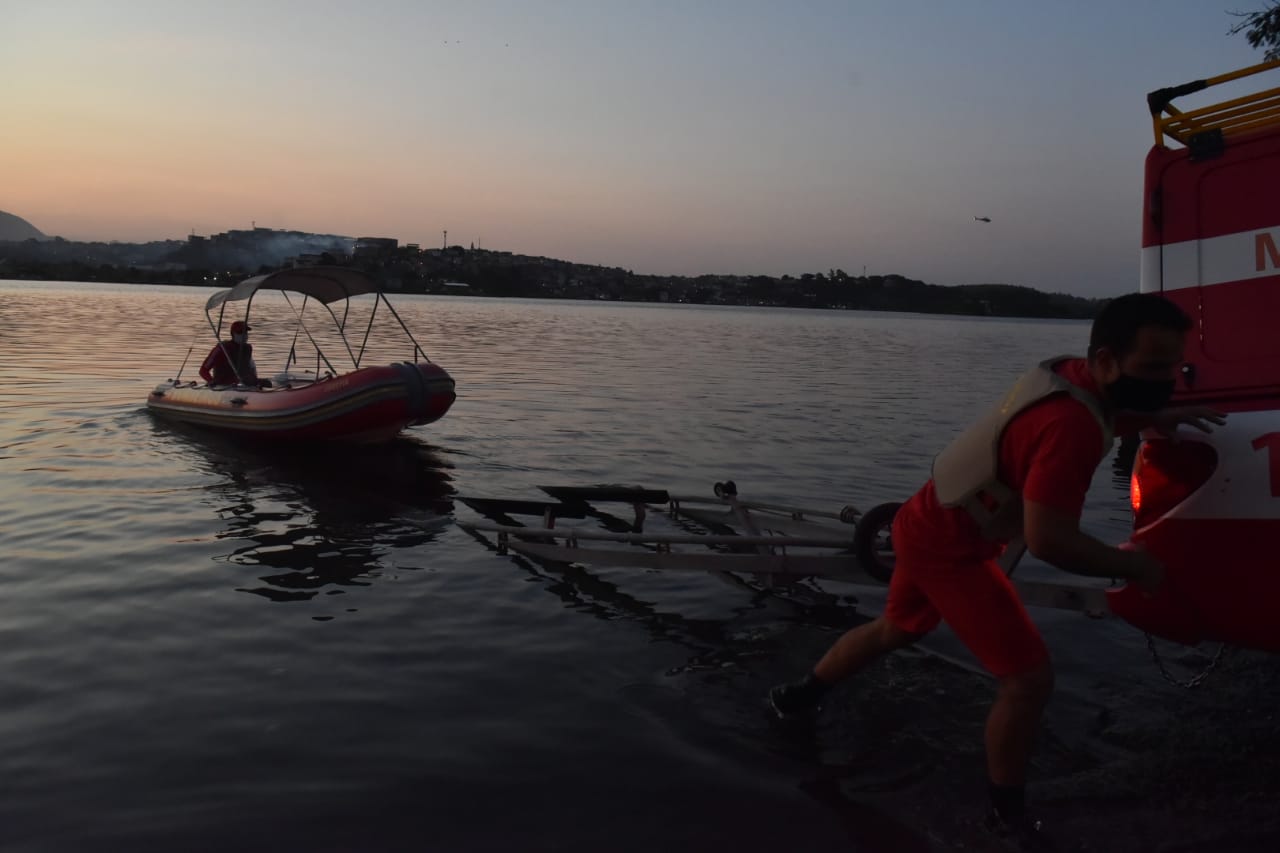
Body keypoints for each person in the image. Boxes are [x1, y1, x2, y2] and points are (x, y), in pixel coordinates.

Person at [767, 292, 1225, 845]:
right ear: (1106, 360)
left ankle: (794, 699)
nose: (1166, 381)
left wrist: (1161, 415)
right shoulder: (1070, 429)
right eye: (1153, 369)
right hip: (948, 549)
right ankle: (1004, 818)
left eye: (1173, 369)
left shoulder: (1073, 375)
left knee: (897, 628)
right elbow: (1049, 540)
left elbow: (1105, 408)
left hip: (922, 518)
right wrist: (1139, 569)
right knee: (1029, 680)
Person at [198, 319, 269, 387]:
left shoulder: (247, 348)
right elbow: (203, 371)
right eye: (240, 332)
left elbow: (250, 368)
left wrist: (254, 381)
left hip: (241, 384)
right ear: (232, 334)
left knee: (267, 382)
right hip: (223, 385)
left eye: (245, 332)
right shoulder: (222, 348)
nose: (244, 335)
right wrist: (211, 381)